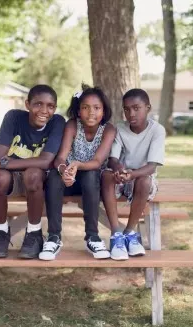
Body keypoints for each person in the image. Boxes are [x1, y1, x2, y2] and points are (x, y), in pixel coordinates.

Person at [0, 84, 65, 259]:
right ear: (27, 104)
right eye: (38, 104)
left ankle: (34, 233)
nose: (44, 110)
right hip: (14, 177)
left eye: (50, 106)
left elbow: (45, 161)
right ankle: (1, 232)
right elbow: (0, 155)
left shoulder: (57, 122)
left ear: (54, 108)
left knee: (32, 173)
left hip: (39, 180)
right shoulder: (14, 118)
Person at [40, 84, 116, 261]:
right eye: (85, 107)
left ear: (104, 111)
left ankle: (92, 237)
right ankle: (54, 237)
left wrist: (76, 165)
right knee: (53, 176)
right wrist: (63, 170)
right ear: (78, 111)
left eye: (97, 108)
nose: (91, 112)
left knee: (90, 176)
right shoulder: (72, 125)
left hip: (92, 183)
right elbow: (60, 158)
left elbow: (97, 162)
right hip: (68, 179)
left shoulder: (108, 130)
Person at [101, 88, 165, 261]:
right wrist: (118, 168)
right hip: (122, 177)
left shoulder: (157, 131)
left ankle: (129, 232)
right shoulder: (120, 128)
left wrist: (132, 174)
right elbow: (112, 159)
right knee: (106, 176)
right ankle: (116, 235)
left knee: (144, 180)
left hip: (141, 178)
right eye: (127, 109)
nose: (131, 113)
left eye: (136, 108)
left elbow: (151, 167)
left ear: (148, 108)